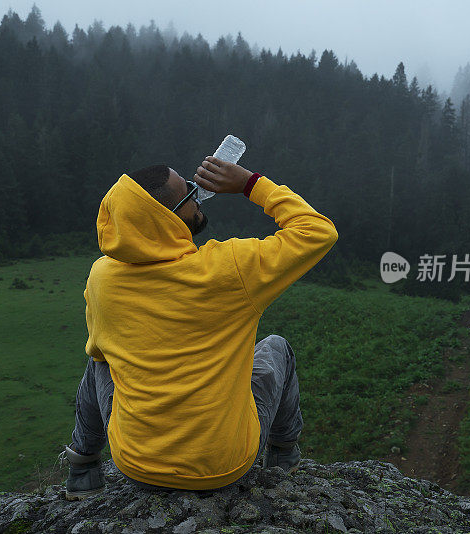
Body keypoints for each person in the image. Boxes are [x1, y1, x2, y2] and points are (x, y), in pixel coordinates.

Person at [61, 155, 338, 499]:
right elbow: (318, 231)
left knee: (98, 357)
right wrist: (249, 184)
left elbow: (102, 352)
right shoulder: (229, 270)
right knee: (276, 347)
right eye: (189, 194)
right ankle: (283, 457)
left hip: (135, 465)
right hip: (225, 467)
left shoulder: (102, 277)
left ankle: (82, 469)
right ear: (168, 217)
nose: (198, 195)